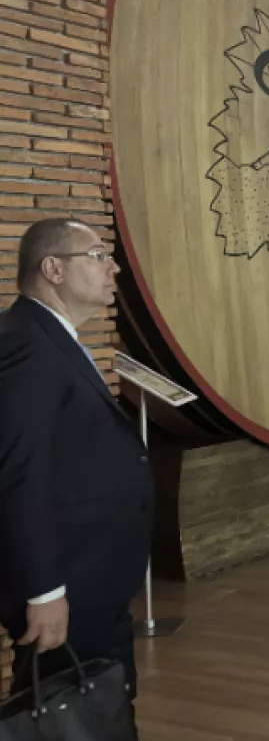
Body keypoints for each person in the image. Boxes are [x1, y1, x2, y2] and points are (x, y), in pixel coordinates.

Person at [0, 219, 153, 712]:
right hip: (68, 579)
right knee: (69, 710)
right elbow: (20, 475)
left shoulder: (51, 338)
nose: (113, 268)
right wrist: (44, 591)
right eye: (97, 255)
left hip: (92, 573)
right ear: (53, 269)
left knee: (100, 701)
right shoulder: (25, 345)